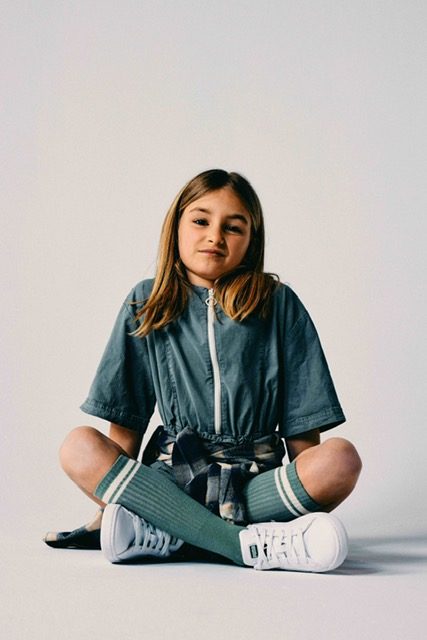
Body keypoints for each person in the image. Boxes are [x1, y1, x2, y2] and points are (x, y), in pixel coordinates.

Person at [48, 169, 362, 572]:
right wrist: (114, 497)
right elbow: (125, 417)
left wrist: (308, 493)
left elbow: (303, 422)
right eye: (201, 221)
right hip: (170, 477)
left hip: (253, 481)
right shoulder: (147, 301)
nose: (215, 236)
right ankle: (240, 544)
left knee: (340, 459)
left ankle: (170, 530)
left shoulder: (278, 303)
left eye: (233, 227)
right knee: (78, 446)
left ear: (251, 240)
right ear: (176, 227)